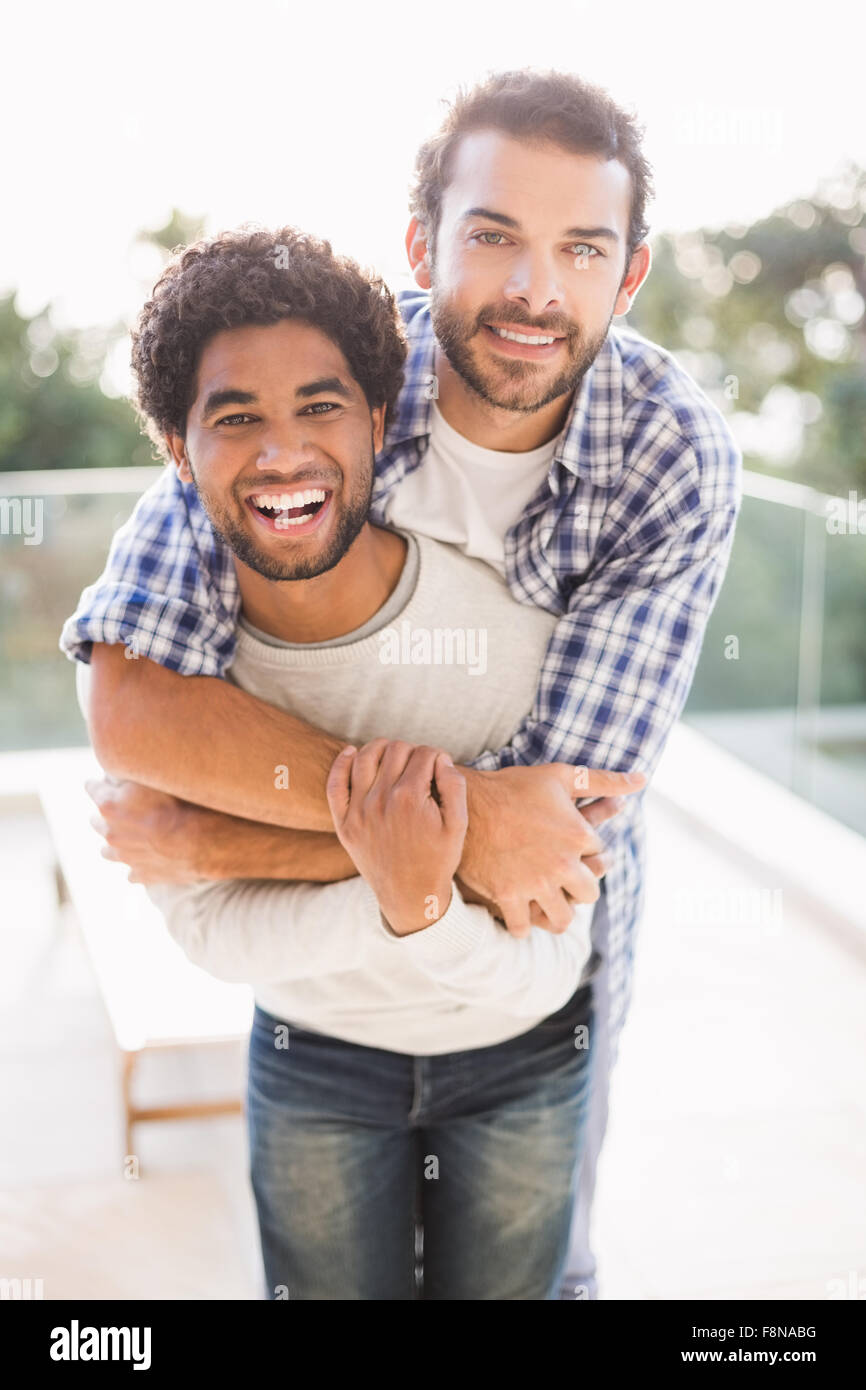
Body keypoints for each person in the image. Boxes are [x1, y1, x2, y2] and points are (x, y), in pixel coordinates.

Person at [62, 69, 741, 1298]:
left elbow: (557, 840)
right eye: (494, 237)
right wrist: (448, 825)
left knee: (540, 1273)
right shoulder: (315, 378)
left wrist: (214, 832)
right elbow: (134, 697)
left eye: (580, 249)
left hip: (541, 987)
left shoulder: (669, 456)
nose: (535, 289)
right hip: (325, 1015)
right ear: (423, 242)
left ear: (626, 276)